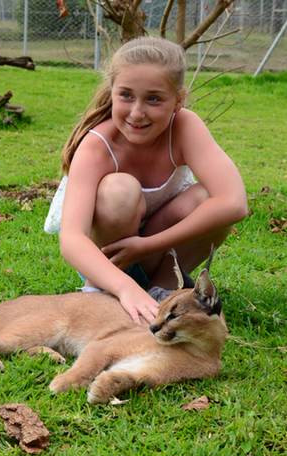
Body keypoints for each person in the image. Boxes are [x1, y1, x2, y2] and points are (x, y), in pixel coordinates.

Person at [45, 36, 248, 324]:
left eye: (153, 98)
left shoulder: (185, 127)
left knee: (208, 199)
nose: (137, 113)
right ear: (112, 91)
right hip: (107, 258)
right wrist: (125, 286)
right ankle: (108, 292)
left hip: (155, 249)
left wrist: (148, 245)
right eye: (126, 95)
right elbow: (72, 240)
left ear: (178, 100)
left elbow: (235, 203)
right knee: (120, 190)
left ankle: (159, 291)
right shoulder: (97, 146)